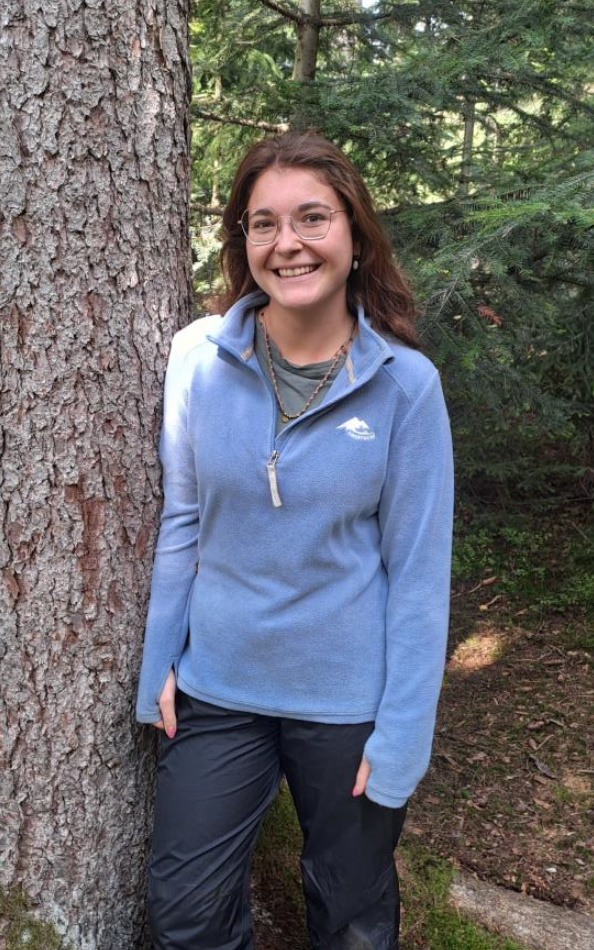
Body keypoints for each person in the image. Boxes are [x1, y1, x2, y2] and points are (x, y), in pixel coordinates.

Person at [135, 130, 454, 950]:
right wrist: (157, 664)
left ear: (356, 236)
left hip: (349, 703)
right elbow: (182, 522)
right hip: (219, 690)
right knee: (185, 913)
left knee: (352, 920)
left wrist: (404, 737)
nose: (289, 243)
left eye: (313, 218)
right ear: (243, 242)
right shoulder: (196, 358)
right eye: (264, 223)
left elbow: (418, 577)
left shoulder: (404, 387)